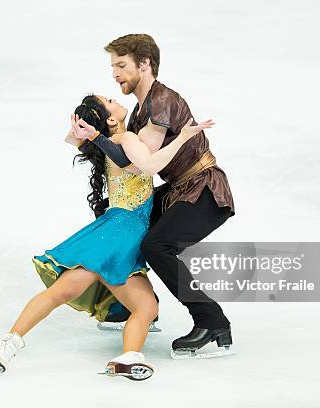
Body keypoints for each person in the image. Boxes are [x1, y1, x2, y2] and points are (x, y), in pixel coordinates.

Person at [0, 94, 214, 380]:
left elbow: (71, 140)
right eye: (110, 101)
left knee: (146, 307)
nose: (116, 98)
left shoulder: (113, 144)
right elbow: (151, 165)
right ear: (111, 119)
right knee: (66, 291)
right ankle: (6, 344)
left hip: (127, 237)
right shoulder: (125, 140)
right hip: (118, 232)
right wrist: (183, 137)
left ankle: (128, 357)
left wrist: (84, 128)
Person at [72, 34, 236, 359]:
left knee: (155, 245)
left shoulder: (162, 100)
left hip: (204, 190)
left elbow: (139, 163)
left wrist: (100, 136)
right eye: (113, 67)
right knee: (126, 229)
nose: (115, 74)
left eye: (121, 65)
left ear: (144, 63)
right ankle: (136, 306)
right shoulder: (137, 112)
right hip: (178, 190)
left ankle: (212, 324)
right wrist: (88, 132)